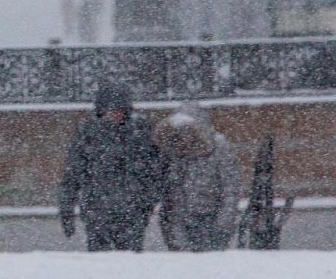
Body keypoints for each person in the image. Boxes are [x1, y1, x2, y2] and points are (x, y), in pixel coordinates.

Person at [58, 81, 163, 251]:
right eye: (111, 109)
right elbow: (72, 176)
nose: (115, 114)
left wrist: (146, 203)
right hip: (97, 213)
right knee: (101, 264)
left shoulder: (142, 133)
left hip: (132, 213)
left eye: (120, 110)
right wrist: (66, 212)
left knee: (129, 263)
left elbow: (156, 172)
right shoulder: (88, 134)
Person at [152, 102, 241, 251]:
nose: (184, 136)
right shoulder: (170, 149)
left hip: (211, 218)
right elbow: (167, 191)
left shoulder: (218, 146)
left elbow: (230, 187)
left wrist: (223, 224)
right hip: (178, 222)